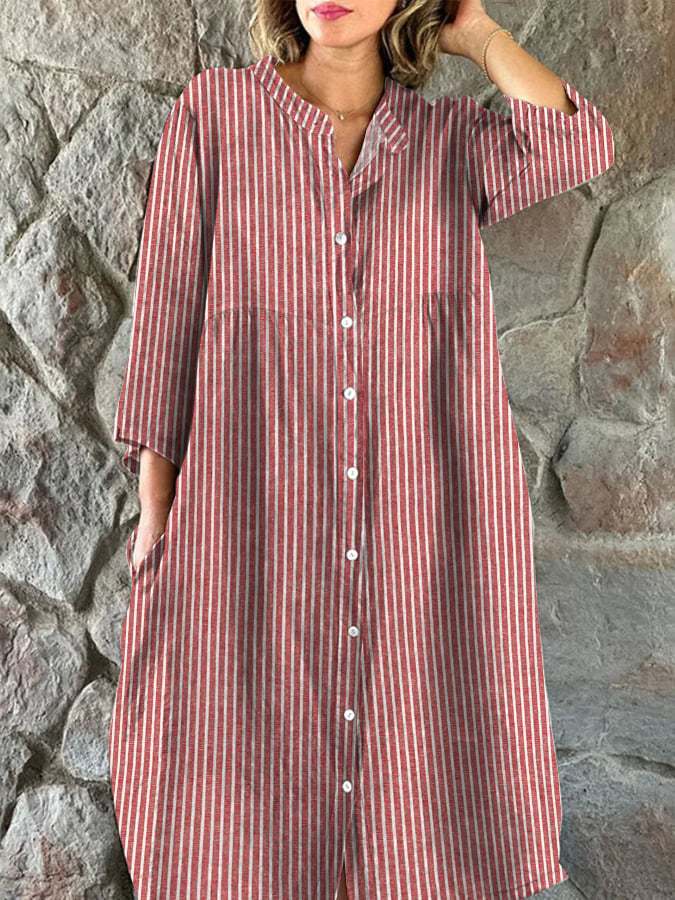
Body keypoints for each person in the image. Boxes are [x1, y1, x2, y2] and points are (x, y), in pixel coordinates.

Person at [109, 1, 615, 898]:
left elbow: (577, 144)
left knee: (410, 814)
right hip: (251, 518)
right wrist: (156, 520)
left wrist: (478, 36)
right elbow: (167, 317)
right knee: (231, 824)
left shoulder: (450, 141)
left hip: (419, 526)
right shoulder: (215, 115)